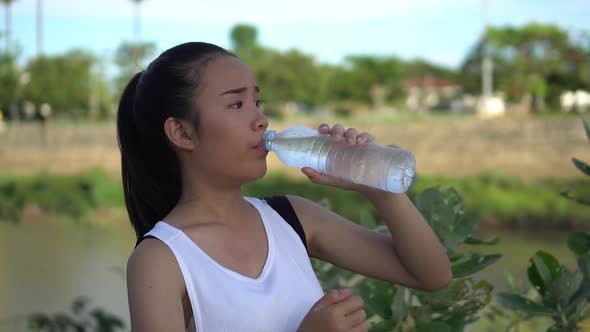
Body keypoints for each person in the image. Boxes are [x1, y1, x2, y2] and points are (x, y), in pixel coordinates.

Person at [119, 42, 452, 332]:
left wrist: (378, 187)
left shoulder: (291, 217)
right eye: (236, 104)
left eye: (257, 103)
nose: (261, 120)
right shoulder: (161, 259)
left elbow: (431, 275)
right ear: (182, 133)